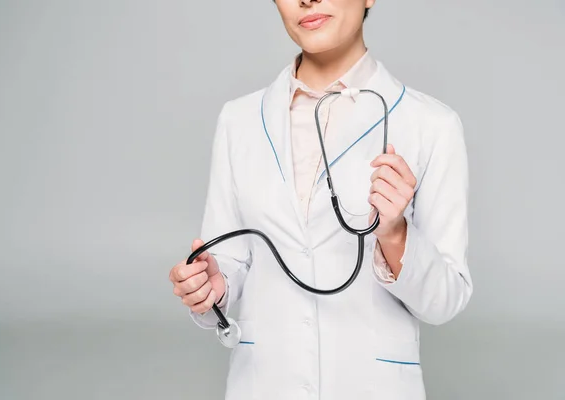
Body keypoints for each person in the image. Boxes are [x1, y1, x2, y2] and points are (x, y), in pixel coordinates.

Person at [169, 0, 473, 398]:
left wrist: (396, 235)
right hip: (263, 384)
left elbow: (445, 301)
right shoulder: (238, 121)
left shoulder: (432, 125)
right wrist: (213, 286)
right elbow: (230, 260)